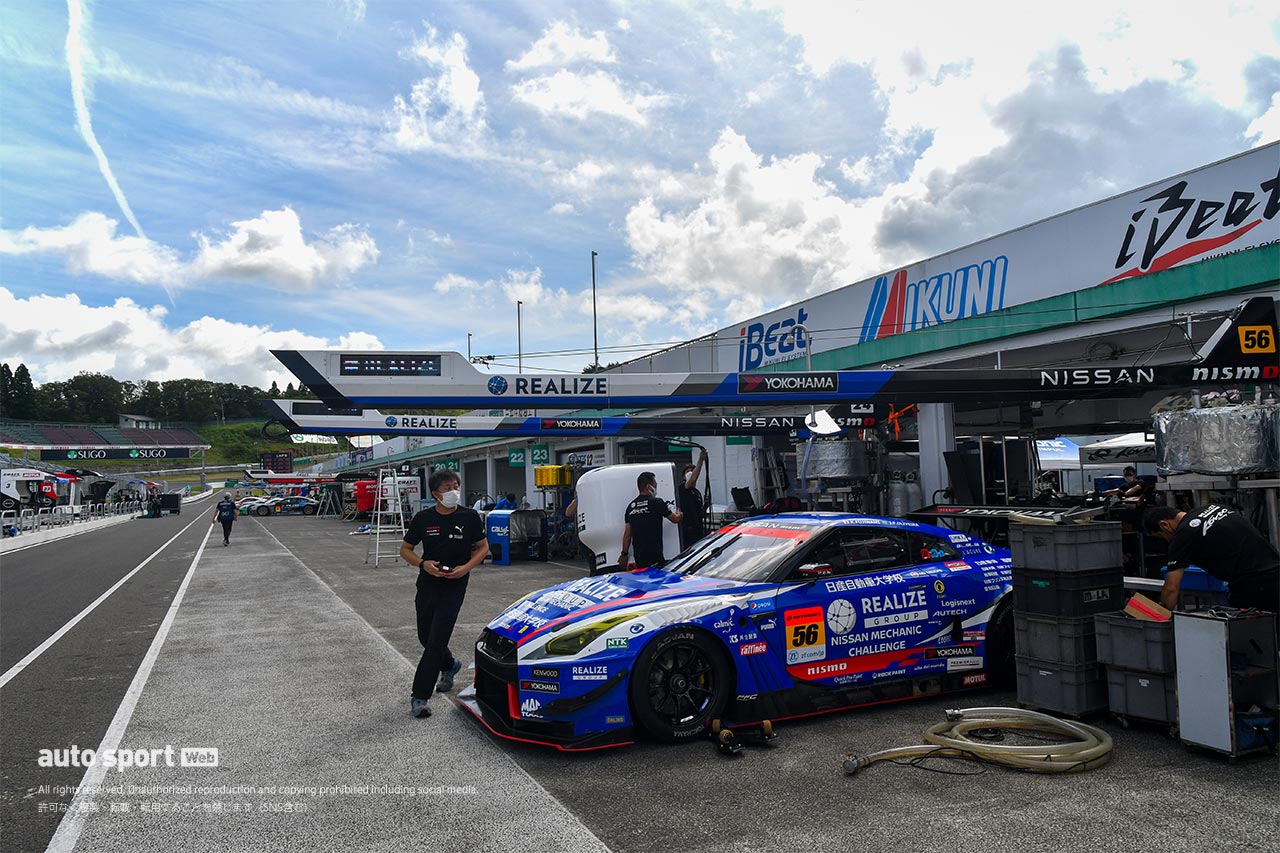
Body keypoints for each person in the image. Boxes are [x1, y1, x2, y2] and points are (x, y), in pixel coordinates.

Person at [399, 469, 489, 718]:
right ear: (436, 493)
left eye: (456, 485)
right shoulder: (423, 518)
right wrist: (422, 563)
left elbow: (483, 547)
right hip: (428, 582)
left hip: (455, 583)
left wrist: (466, 569)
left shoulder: (469, 517)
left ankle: (419, 697)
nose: (453, 491)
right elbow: (405, 549)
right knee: (425, 637)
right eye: (448, 487)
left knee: (437, 639)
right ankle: (450, 665)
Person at [1145, 504, 1279, 612]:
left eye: (1161, 536)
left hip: (1254, 587)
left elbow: (1171, 588)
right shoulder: (1216, 507)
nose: (1166, 540)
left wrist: (1160, 619)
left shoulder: (1183, 536)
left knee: (1249, 638)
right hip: (1275, 571)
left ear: (1164, 525)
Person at [618, 471, 682, 571]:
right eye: (655, 485)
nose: (656, 488)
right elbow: (675, 519)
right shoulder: (657, 502)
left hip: (639, 556)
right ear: (649, 487)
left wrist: (624, 554)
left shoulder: (630, 507)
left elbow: (627, 535)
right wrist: (680, 513)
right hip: (655, 554)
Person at [678, 449, 708, 545]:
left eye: (692, 471)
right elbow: (692, 479)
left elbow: (700, 513)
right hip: (687, 530)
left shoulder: (697, 493)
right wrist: (701, 460)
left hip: (698, 529)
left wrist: (706, 504)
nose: (690, 473)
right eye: (688, 471)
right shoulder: (682, 488)